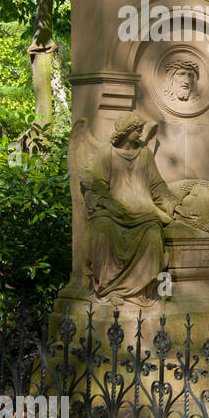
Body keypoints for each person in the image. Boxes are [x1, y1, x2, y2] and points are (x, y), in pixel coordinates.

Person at [81, 112, 178, 303]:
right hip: (113, 211)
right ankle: (109, 289)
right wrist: (106, 204)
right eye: (137, 130)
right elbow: (97, 185)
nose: (140, 134)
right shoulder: (106, 153)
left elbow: (157, 186)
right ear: (126, 131)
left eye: (141, 130)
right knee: (102, 227)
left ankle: (141, 291)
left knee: (152, 231)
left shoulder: (145, 154)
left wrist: (174, 204)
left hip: (143, 210)